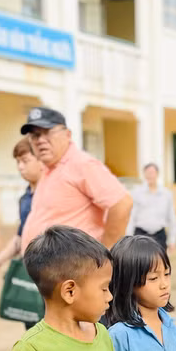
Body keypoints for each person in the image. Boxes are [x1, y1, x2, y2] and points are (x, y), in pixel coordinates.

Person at [19, 107, 133, 250]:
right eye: (35, 135)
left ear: (67, 135)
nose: (40, 140)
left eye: (47, 132)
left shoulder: (81, 164)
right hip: (46, 268)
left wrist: (108, 251)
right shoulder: (48, 169)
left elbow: (122, 203)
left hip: (74, 268)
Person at [0, 137, 45, 277]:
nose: (20, 167)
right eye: (18, 162)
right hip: (31, 268)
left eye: (25, 161)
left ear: (41, 161)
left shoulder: (55, 192)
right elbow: (20, 237)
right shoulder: (25, 199)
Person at [127, 163, 176, 253]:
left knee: (160, 264)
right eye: (147, 173)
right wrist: (128, 238)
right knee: (140, 264)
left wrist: (172, 240)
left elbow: (172, 218)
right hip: (140, 235)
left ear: (157, 174)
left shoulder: (166, 194)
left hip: (159, 235)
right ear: (144, 175)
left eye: (152, 173)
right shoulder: (136, 193)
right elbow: (131, 217)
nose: (150, 175)